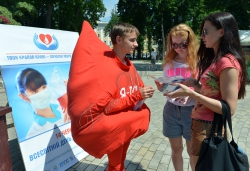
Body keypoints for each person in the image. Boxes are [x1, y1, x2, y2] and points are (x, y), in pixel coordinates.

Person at [67, 21, 155, 171]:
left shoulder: (129, 64)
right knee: (115, 164)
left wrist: (144, 92)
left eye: (136, 40)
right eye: (132, 40)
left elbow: (136, 88)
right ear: (119, 40)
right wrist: (136, 95)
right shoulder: (106, 67)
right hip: (115, 125)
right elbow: (107, 107)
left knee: (120, 161)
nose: (136, 45)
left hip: (126, 121)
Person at [166, 11, 248, 167]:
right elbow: (213, 92)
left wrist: (191, 94)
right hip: (201, 125)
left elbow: (228, 109)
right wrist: (196, 85)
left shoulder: (227, 62)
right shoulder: (216, 59)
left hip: (209, 128)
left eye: (205, 32)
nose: (202, 37)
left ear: (221, 31)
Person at [155, 23, 198, 171]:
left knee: (192, 152)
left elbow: (204, 89)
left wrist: (190, 96)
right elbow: (168, 87)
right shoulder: (168, 62)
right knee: (176, 150)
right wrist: (163, 88)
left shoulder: (198, 62)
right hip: (171, 109)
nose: (178, 48)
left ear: (190, 43)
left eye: (183, 44)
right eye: (175, 44)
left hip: (192, 110)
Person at [16, 68, 70, 139]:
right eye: (35, 91)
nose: (42, 93)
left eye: (43, 87)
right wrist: (66, 129)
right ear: (23, 96)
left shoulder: (61, 104)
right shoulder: (33, 134)